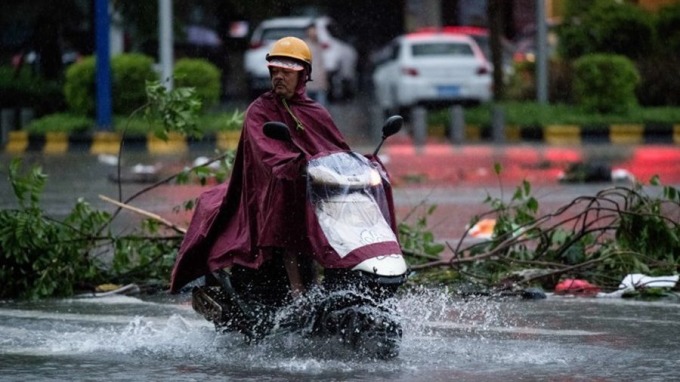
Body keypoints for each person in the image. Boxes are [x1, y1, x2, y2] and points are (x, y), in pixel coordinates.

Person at [169, 36, 351, 305]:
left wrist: (362, 164)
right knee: (285, 214)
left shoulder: (316, 112)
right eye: (274, 71)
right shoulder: (260, 111)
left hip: (310, 195)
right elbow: (269, 154)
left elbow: (338, 151)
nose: (279, 77)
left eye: (287, 72)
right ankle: (297, 295)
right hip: (268, 192)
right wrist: (294, 163)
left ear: (304, 75)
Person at [304, 23, 329, 106]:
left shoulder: (319, 45)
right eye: (312, 31)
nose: (314, 33)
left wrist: (325, 79)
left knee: (320, 109)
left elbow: (322, 64)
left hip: (319, 82)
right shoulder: (304, 45)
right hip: (307, 82)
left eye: (315, 31)